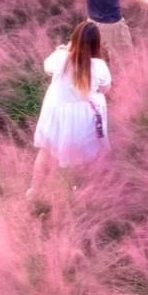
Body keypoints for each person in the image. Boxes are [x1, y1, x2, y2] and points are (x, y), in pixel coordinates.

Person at [27, 20, 111, 199]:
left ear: (74, 39)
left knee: (46, 153)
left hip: (56, 114)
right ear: (96, 44)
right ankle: (74, 193)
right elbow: (105, 89)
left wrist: (65, 50)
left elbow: (47, 67)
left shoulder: (61, 59)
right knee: (81, 156)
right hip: (82, 118)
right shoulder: (99, 65)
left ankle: (35, 192)